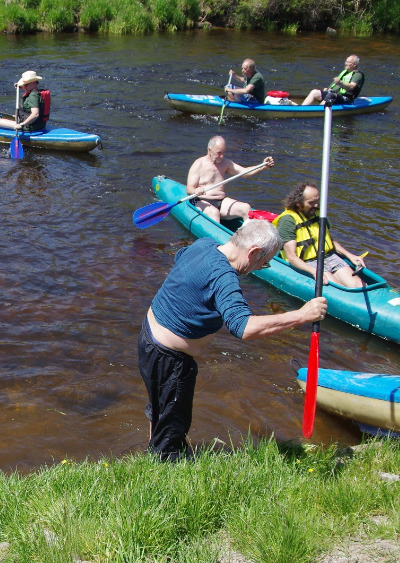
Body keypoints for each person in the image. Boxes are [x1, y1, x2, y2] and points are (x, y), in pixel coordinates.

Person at [138, 220, 328, 462]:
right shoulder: (224, 277)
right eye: (265, 261)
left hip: (148, 339)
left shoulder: (205, 245)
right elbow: (243, 327)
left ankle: (156, 448)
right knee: (173, 421)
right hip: (170, 359)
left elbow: (180, 257)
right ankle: (164, 467)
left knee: (161, 409)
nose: (262, 267)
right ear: (254, 252)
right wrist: (303, 315)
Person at [273, 182, 366, 288]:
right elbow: (292, 258)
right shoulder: (288, 220)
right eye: (311, 203)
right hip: (307, 262)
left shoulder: (318, 214)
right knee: (337, 287)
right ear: (299, 203)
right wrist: (314, 271)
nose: (316, 205)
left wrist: (350, 256)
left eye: (317, 201)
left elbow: (329, 241)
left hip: (329, 256)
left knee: (359, 285)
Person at [186, 135, 274, 223]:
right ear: (209, 150)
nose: (222, 156)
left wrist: (263, 166)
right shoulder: (198, 164)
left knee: (246, 208)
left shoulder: (226, 163)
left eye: (224, 152)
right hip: (200, 200)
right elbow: (189, 189)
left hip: (220, 201)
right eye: (219, 153)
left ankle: (247, 235)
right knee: (214, 213)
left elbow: (244, 172)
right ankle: (217, 235)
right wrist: (196, 191)